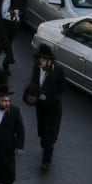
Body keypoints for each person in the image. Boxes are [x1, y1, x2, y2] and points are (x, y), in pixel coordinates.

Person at [24, 44, 65, 172]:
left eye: (42, 59)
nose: (39, 61)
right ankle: (46, 146)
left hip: (53, 109)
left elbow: (61, 89)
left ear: (49, 61)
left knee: (49, 137)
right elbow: (32, 84)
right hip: (40, 109)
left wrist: (47, 97)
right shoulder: (37, 68)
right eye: (39, 59)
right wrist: (27, 97)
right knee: (42, 133)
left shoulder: (58, 71)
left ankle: (46, 160)